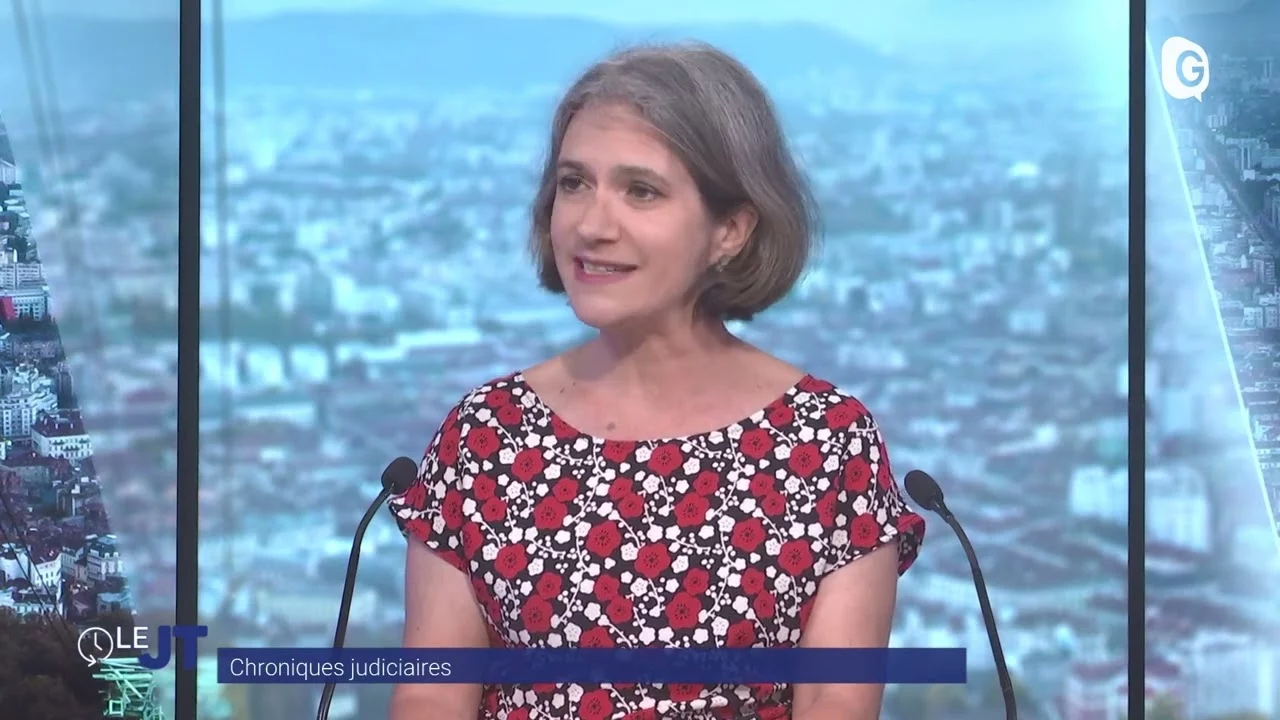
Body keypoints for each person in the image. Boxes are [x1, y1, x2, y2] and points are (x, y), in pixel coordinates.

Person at [387, 41, 926, 720]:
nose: (591, 225)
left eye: (640, 191)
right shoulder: (486, 436)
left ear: (730, 229)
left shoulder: (827, 443)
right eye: (574, 183)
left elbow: (835, 700)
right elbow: (432, 691)